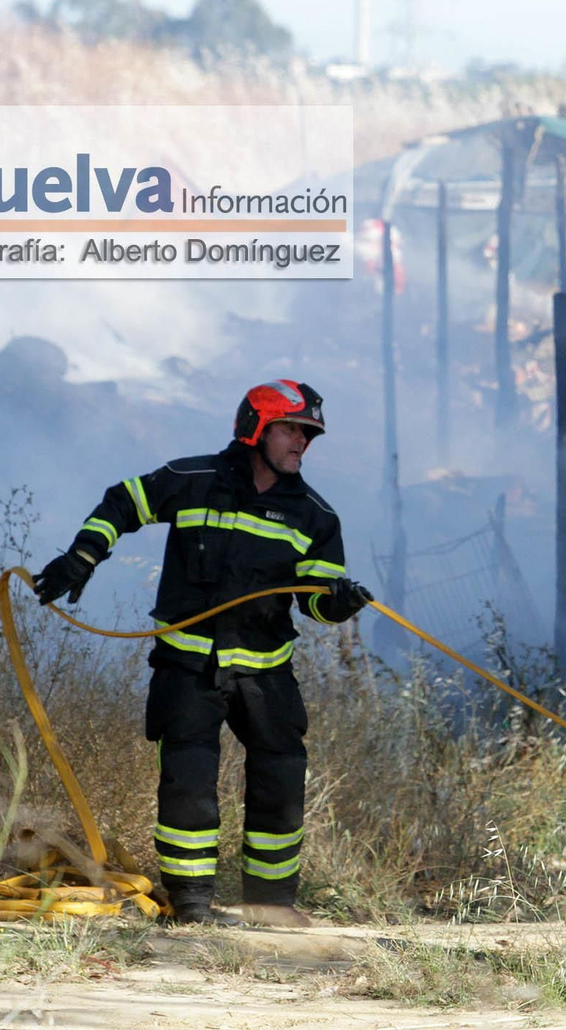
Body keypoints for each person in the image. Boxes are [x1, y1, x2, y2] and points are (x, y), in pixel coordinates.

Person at [33, 379, 374, 926]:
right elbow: (123, 501)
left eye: (308, 434)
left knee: (281, 778)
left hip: (266, 671)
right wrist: (83, 556)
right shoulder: (192, 480)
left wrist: (339, 603)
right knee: (189, 782)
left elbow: (316, 604)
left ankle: (271, 906)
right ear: (256, 428)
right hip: (188, 666)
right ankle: (192, 907)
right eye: (291, 428)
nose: (302, 442)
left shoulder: (314, 516)